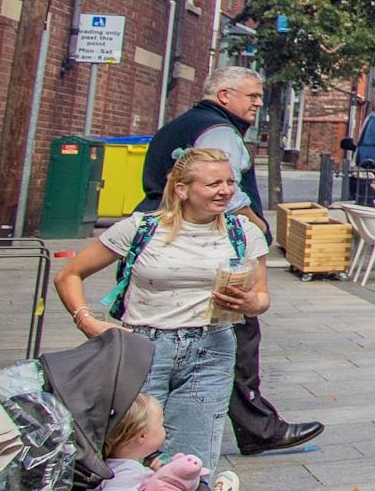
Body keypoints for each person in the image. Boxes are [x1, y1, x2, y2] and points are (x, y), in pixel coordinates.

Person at [140, 66, 321, 457]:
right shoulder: (219, 131)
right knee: (236, 326)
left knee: (204, 330)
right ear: (224, 95)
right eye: (252, 96)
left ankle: (252, 425)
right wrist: (256, 223)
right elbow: (225, 188)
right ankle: (254, 428)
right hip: (209, 242)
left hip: (172, 235)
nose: (258, 103)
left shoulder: (182, 125)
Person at [53, 145, 270, 467]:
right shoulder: (141, 228)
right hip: (143, 347)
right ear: (182, 189)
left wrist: (251, 302)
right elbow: (69, 274)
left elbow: (261, 298)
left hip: (211, 348)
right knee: (131, 454)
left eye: (229, 182)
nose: (225, 191)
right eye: (214, 184)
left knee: (193, 462)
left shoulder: (244, 233)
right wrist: (87, 321)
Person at [96, 394, 287, 491]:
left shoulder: (119, 464)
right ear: (142, 436)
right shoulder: (127, 471)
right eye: (161, 425)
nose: (163, 429)